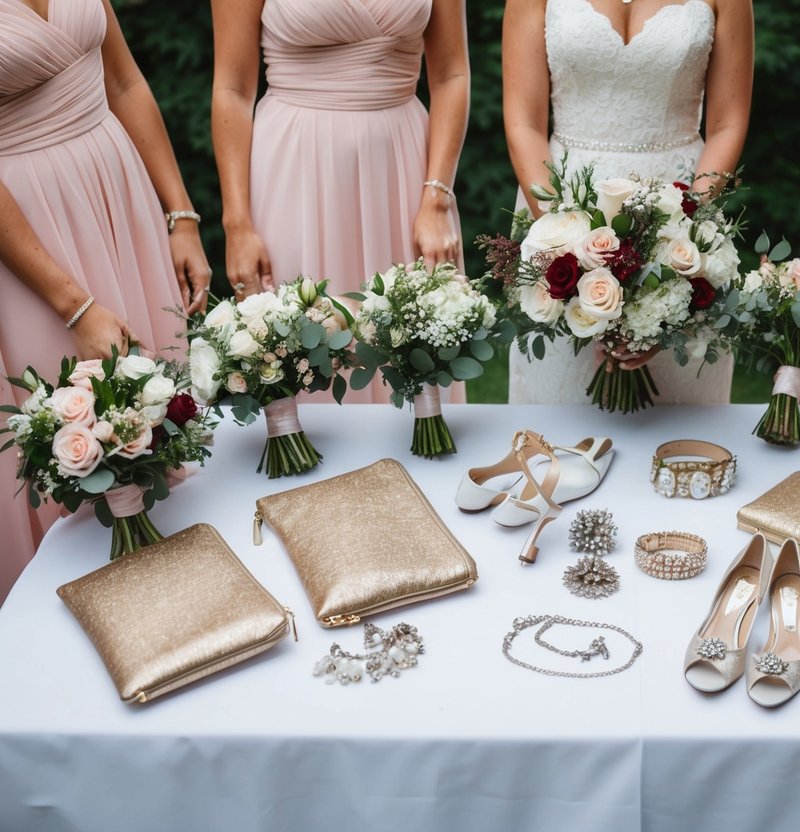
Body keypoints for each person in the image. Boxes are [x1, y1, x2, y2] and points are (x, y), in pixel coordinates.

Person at [0, 0, 210, 602]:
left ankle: (195, 594)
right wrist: (75, 306)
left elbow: (122, 79)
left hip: (120, 202)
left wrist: (181, 216)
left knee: (158, 415)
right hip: (32, 245)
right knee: (72, 433)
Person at [211, 0, 470, 403]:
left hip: (404, 172)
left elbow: (452, 74)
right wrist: (237, 224)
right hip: (292, 170)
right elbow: (233, 89)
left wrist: (436, 198)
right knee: (297, 342)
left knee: (413, 343)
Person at [502, 0, 752, 404]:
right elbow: (523, 122)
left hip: (681, 209)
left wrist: (681, 240)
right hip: (559, 203)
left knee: (679, 418)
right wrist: (565, 247)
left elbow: (728, 123)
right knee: (562, 413)